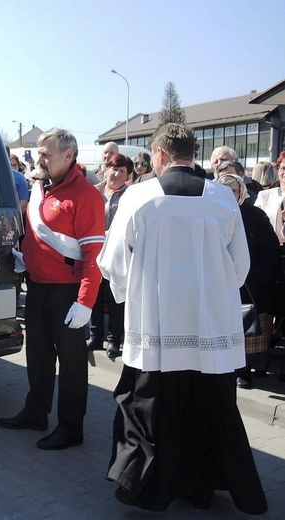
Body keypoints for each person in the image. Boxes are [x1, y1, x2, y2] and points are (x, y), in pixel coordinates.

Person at [98, 123, 267, 514]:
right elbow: (240, 266)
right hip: (211, 329)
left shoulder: (139, 197)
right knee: (208, 410)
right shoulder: (223, 198)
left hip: (157, 327)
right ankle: (200, 485)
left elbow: (113, 263)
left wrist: (128, 296)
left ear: (158, 155)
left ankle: (148, 487)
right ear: (192, 154)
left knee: (153, 409)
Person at [0, 128, 105, 450]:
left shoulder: (86, 196)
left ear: (68, 155)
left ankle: (71, 428)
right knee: (39, 356)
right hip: (39, 287)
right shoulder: (39, 189)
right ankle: (36, 412)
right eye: (38, 152)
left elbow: (93, 257)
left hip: (68, 292)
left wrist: (85, 302)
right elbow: (39, 238)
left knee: (71, 365)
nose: (39, 159)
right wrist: (25, 259)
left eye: (46, 153)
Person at [217, 173, 279, 388]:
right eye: (224, 190)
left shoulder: (254, 216)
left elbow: (269, 250)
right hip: (220, 284)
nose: (229, 195)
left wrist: (256, 276)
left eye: (233, 190)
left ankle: (244, 371)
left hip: (250, 285)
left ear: (241, 191)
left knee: (246, 330)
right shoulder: (212, 214)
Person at [90, 154, 131, 358]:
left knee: (115, 296)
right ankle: (95, 335)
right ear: (106, 170)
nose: (116, 174)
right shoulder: (94, 191)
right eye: (113, 169)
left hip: (117, 253)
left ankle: (114, 340)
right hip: (94, 250)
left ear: (127, 176)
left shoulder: (130, 195)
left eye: (122, 171)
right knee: (94, 294)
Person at [254, 151, 285, 381]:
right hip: (272, 260)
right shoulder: (267, 196)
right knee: (269, 314)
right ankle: (262, 363)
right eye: (283, 169)